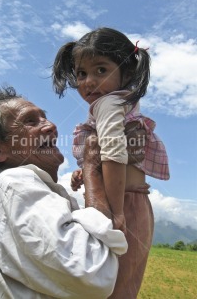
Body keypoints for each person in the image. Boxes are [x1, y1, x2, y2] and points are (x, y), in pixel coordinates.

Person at [0, 86, 128, 299]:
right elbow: (92, 273)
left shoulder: (38, 189)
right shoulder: (15, 183)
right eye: (30, 121)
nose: (51, 126)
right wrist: (91, 168)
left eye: (44, 117)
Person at [52, 27, 170, 298]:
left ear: (127, 73)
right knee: (122, 285)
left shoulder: (107, 105)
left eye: (101, 70)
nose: (88, 81)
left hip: (123, 203)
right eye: (82, 73)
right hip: (133, 201)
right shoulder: (121, 102)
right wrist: (86, 169)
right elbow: (114, 153)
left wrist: (116, 212)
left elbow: (115, 155)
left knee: (109, 287)